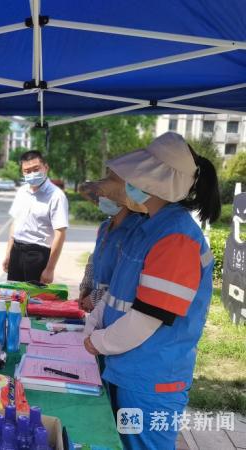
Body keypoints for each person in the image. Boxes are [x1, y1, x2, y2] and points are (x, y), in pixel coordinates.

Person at [83, 132, 221, 449]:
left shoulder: (176, 238)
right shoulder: (147, 226)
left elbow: (147, 319)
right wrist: (95, 323)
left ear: (154, 181)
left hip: (150, 380)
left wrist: (98, 341)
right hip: (127, 368)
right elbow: (119, 292)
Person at [4, 150, 68, 284]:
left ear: (46, 167)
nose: (32, 174)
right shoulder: (22, 191)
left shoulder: (56, 196)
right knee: (15, 294)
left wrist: (50, 269)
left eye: (36, 169)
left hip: (38, 256)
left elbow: (60, 234)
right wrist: (8, 253)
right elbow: (15, 223)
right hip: (17, 251)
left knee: (34, 296)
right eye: (27, 171)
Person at [77, 200, 143, 312]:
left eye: (106, 193)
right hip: (98, 311)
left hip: (115, 312)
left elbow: (128, 279)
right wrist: (86, 287)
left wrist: (96, 298)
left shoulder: (135, 231)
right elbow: (94, 259)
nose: (101, 196)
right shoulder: (104, 227)